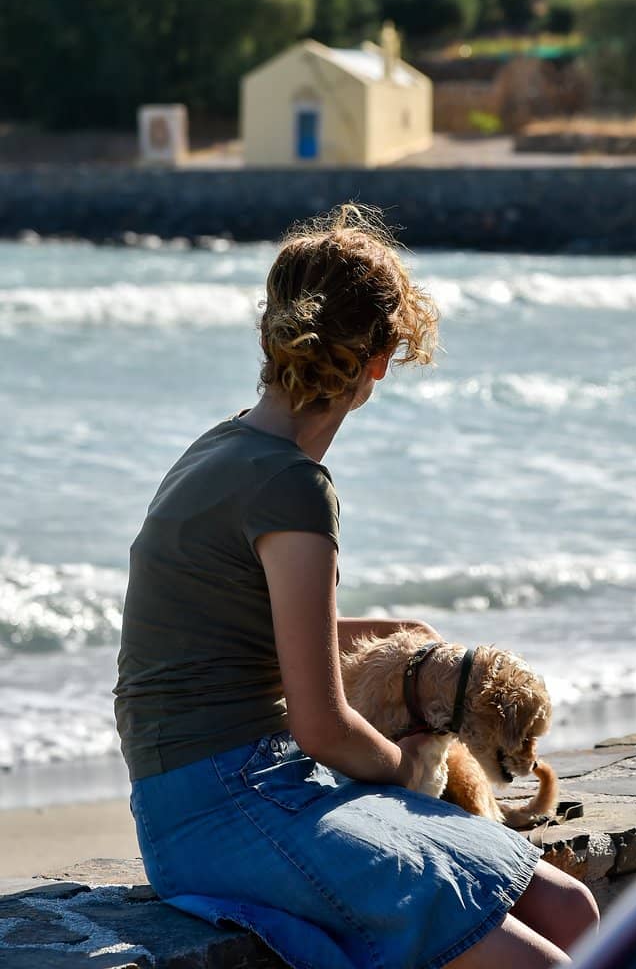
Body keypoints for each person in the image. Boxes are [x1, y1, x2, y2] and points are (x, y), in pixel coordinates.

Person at [114, 202, 598, 969]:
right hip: (227, 809)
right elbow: (324, 727)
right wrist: (409, 772)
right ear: (380, 359)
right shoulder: (292, 488)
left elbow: (237, 632)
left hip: (242, 786)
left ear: (274, 334)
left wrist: (400, 640)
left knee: (570, 906)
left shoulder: (227, 444)